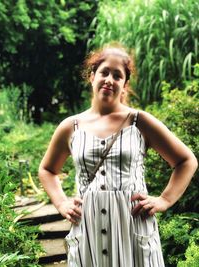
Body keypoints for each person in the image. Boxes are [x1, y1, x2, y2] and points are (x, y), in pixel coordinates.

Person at [38, 44, 198, 267]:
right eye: (104, 72)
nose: (109, 80)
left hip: (132, 226)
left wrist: (164, 200)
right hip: (88, 228)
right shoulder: (71, 126)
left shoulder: (140, 122)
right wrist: (61, 203)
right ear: (92, 76)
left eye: (117, 75)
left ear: (125, 84)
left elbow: (186, 160)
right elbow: (47, 170)